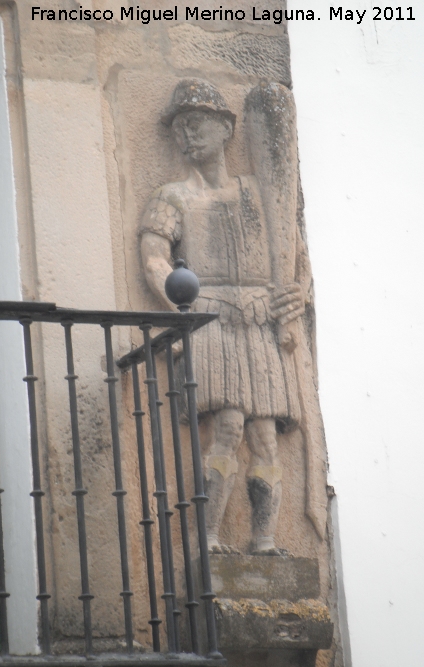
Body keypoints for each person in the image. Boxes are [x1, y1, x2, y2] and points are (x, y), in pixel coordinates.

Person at [140, 79, 312, 555]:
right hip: (210, 317)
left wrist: (297, 294)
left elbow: (296, 257)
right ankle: (210, 534)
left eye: (194, 123)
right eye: (178, 128)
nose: (185, 136)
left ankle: (264, 541)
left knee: (265, 439)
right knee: (229, 426)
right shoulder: (172, 195)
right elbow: (154, 255)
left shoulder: (261, 195)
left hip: (260, 321)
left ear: (225, 127)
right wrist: (178, 306)